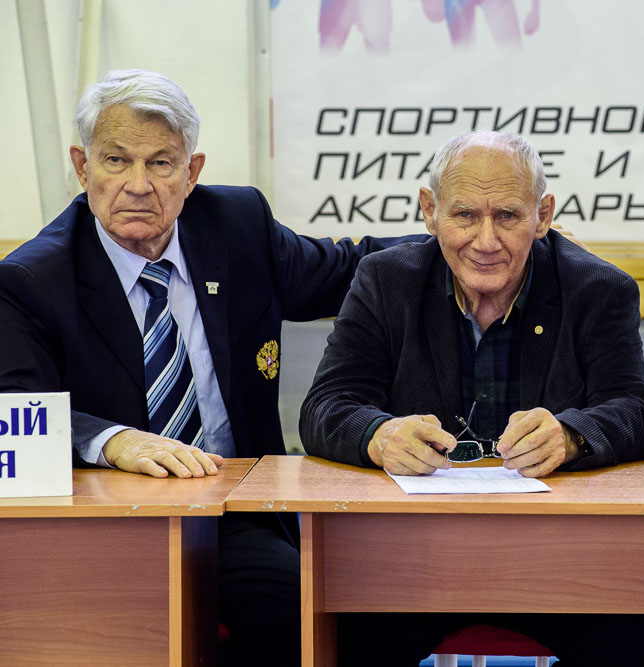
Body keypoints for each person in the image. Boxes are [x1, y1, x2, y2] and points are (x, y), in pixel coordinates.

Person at [0, 69, 416, 666]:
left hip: (232, 513)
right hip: (109, 523)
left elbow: (351, 270)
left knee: (313, 614)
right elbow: (16, 411)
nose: (138, 185)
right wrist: (113, 441)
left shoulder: (235, 225)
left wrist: (460, 241)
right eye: (116, 160)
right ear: (82, 166)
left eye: (161, 163)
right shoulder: (32, 280)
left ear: (192, 172)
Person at [299, 130, 644, 666]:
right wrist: (379, 435)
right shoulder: (386, 280)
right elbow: (327, 405)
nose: (486, 240)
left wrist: (571, 436)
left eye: (508, 216)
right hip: (414, 551)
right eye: (465, 215)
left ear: (542, 215)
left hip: (563, 550)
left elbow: (636, 411)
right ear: (430, 211)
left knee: (623, 644)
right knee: (345, 636)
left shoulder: (598, 288)